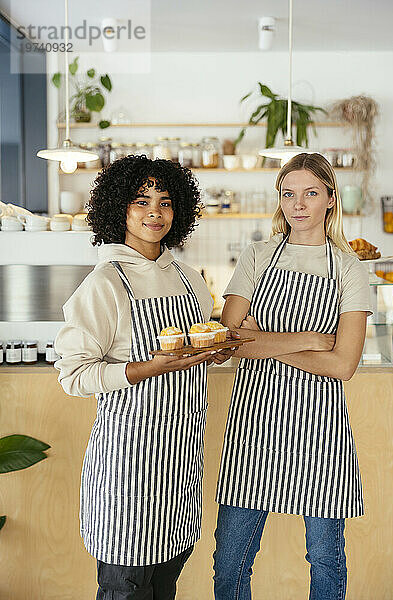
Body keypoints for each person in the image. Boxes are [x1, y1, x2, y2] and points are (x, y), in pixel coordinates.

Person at [55, 155, 234, 600]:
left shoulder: (189, 277)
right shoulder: (104, 283)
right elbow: (74, 376)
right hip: (126, 469)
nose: (155, 212)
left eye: (166, 201)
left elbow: (191, 350)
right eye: (141, 201)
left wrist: (211, 354)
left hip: (181, 465)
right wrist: (146, 368)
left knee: (164, 588)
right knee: (126, 590)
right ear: (120, 209)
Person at [213, 153, 372, 600]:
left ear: (329, 199)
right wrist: (309, 339)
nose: (298, 204)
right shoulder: (257, 256)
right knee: (230, 563)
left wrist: (262, 341)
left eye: (310, 193)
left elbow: (343, 365)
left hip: (321, 431)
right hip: (254, 425)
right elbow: (229, 341)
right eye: (288, 194)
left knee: (325, 560)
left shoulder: (349, 269)